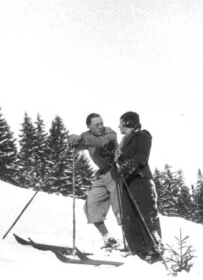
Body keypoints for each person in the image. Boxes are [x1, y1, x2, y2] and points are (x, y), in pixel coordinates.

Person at [68, 113, 121, 248]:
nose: (100, 127)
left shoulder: (110, 133)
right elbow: (79, 144)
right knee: (91, 205)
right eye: (96, 125)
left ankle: (133, 243)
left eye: (101, 123)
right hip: (102, 175)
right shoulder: (87, 136)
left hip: (115, 173)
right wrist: (72, 143)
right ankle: (108, 238)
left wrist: (81, 139)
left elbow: (100, 142)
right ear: (89, 126)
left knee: (120, 209)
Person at [115, 111, 162, 262]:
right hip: (127, 181)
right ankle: (138, 250)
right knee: (129, 217)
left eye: (121, 122)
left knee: (146, 214)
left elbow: (141, 156)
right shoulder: (123, 141)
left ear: (128, 122)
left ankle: (155, 250)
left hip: (140, 180)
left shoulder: (142, 136)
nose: (119, 126)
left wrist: (126, 167)